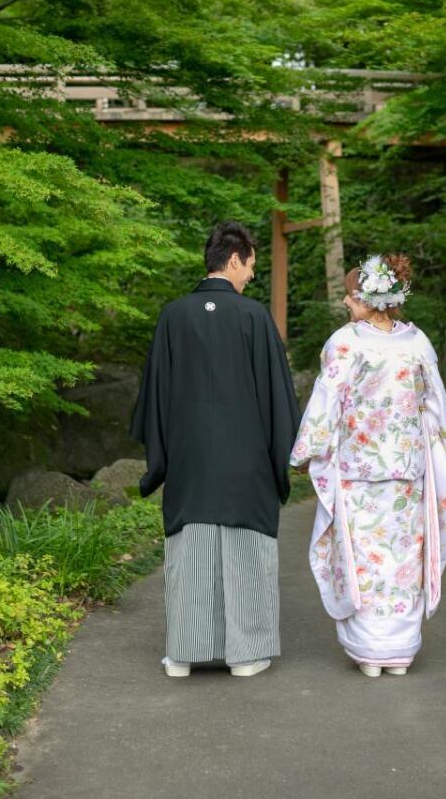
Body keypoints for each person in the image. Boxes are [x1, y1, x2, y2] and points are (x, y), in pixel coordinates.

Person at [130, 220, 301, 679]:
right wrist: (281, 455)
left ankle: (182, 654)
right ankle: (245, 655)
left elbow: (155, 398)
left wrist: (162, 459)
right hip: (245, 463)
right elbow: (278, 399)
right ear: (233, 260)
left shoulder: (173, 316)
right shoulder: (253, 317)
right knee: (245, 551)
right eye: (250, 266)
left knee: (191, 553)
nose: (252, 275)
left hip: (189, 460)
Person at [290, 253, 446, 677]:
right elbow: (436, 402)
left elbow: (326, 401)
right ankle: (400, 651)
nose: (346, 303)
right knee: (402, 560)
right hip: (408, 471)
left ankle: (371, 652)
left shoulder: (346, 342)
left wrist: (305, 452)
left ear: (370, 298)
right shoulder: (417, 342)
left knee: (364, 557)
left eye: (351, 295)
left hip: (358, 470)